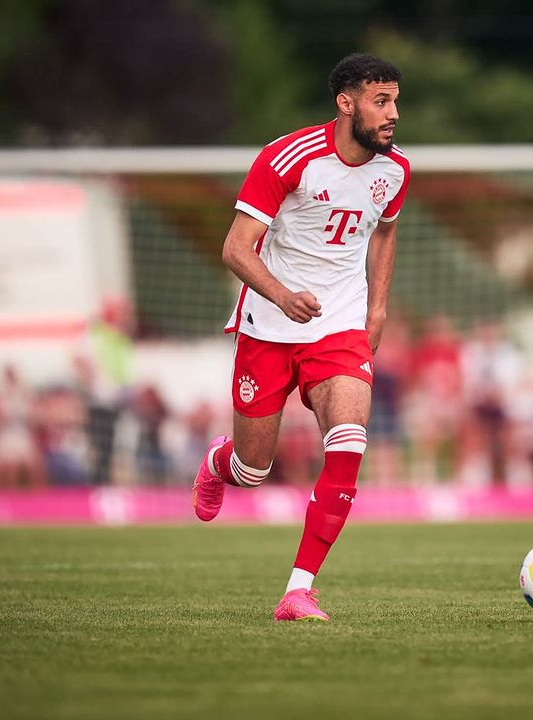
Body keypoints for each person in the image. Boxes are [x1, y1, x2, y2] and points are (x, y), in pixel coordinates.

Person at [191, 53, 409, 622]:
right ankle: (219, 463)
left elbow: (385, 232)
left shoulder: (396, 171)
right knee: (253, 470)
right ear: (346, 103)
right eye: (380, 102)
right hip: (269, 325)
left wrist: (377, 308)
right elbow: (235, 249)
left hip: (339, 326)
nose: (392, 115)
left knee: (349, 441)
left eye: (395, 102)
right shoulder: (288, 157)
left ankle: (299, 590)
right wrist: (283, 297)